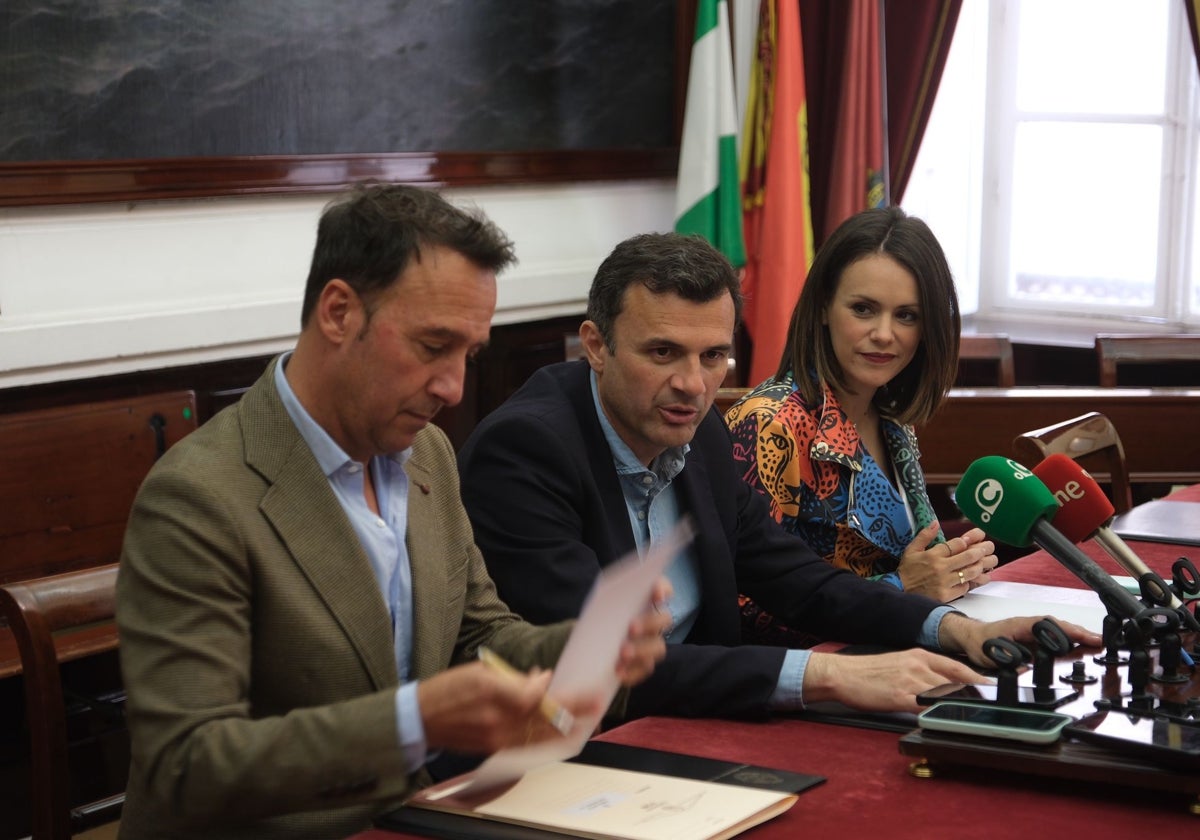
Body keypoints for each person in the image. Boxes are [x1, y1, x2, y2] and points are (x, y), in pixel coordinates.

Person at [114, 183, 669, 840]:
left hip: (418, 817)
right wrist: (415, 721)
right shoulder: (200, 496)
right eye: (433, 347)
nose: (454, 387)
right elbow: (188, 764)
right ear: (339, 313)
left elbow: (476, 637)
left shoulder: (426, 452)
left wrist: (584, 647)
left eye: (469, 355)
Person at [457, 230, 1100, 723]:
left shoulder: (700, 430)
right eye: (663, 353)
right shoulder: (527, 451)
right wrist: (826, 677)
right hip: (583, 740)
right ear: (596, 345)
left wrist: (957, 630)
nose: (692, 384)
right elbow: (601, 667)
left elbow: (797, 580)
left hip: (700, 719)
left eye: (713, 356)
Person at [725, 207, 992, 648]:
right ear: (825, 307)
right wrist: (901, 589)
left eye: (907, 315)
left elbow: (911, 565)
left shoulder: (891, 417)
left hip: (902, 656)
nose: (885, 334)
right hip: (817, 682)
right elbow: (740, 612)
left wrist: (953, 568)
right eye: (864, 309)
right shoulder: (771, 423)